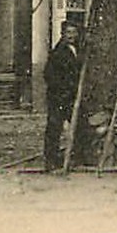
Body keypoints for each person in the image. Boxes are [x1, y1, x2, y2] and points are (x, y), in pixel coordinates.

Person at [42, 21, 82, 171]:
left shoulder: (78, 49)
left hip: (72, 97)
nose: (71, 36)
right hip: (58, 97)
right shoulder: (57, 52)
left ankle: (76, 157)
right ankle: (50, 160)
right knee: (54, 128)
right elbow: (48, 75)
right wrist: (62, 89)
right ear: (62, 34)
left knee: (79, 125)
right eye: (68, 33)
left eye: (74, 32)